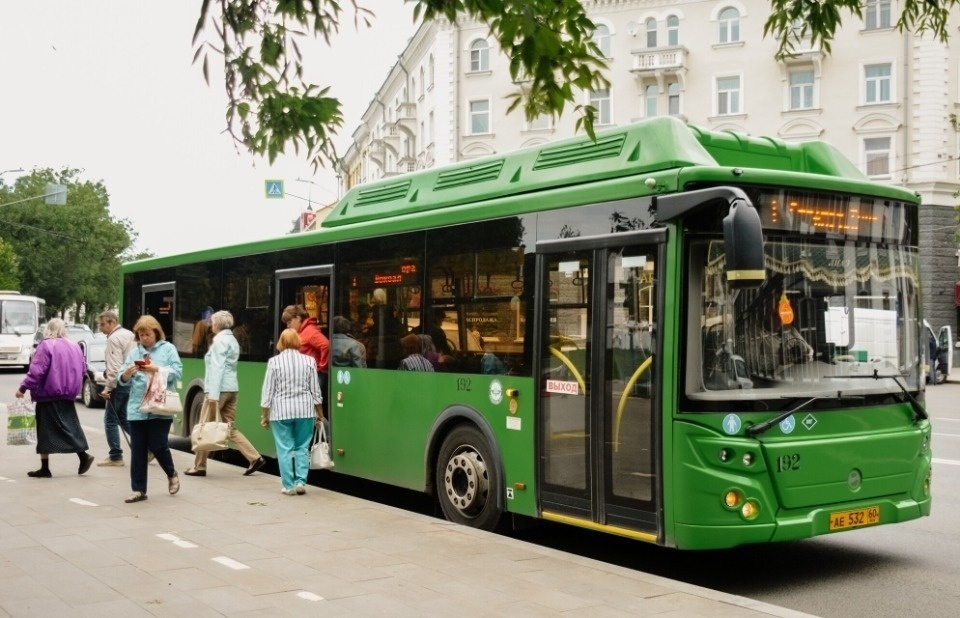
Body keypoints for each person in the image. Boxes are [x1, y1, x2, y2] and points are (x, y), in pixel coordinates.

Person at [186, 310, 265, 477]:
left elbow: (217, 368)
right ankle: (254, 457)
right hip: (232, 388)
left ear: (217, 324)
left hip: (218, 390)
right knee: (229, 427)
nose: (211, 325)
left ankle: (199, 466)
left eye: (213, 322)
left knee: (204, 426)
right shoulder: (232, 340)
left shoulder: (219, 341)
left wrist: (213, 396)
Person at [15, 318, 95, 478]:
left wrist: (23, 388)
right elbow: (83, 369)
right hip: (68, 394)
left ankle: (50, 466)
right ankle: (81, 456)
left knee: (45, 430)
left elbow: (37, 370)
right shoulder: (74, 346)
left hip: (48, 394)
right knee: (69, 426)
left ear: (48, 329)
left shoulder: (46, 345)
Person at [116, 315, 183, 503]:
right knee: (138, 449)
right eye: (141, 335)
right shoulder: (134, 352)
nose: (144, 338)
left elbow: (178, 372)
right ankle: (138, 489)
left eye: (148, 334)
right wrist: (126, 374)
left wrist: (156, 369)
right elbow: (121, 378)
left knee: (158, 445)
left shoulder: (168, 349)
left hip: (160, 407)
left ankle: (171, 473)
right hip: (137, 408)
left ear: (156, 333)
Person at [260, 328, 324, 495]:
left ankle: (288, 486)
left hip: (281, 412)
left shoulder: (274, 362)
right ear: (298, 342)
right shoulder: (309, 361)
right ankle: (301, 482)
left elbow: (268, 391)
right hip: (305, 411)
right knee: (303, 447)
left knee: (284, 448)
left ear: (281, 343)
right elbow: (315, 391)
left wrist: (264, 415)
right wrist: (320, 413)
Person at [96, 310, 137, 467]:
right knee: (123, 417)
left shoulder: (114, 338)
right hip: (130, 380)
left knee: (110, 420)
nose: (100, 328)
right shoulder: (129, 334)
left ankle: (115, 456)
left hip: (119, 382)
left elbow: (115, 366)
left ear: (112, 322)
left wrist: (108, 387)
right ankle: (147, 447)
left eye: (102, 324)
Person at [281, 304, 329, 411]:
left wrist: (321, 366)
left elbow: (326, 345)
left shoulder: (310, 331)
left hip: (313, 376)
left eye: (289, 322)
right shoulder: (303, 331)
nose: (288, 326)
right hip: (308, 376)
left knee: (308, 408)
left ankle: (320, 421)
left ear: (298, 318)